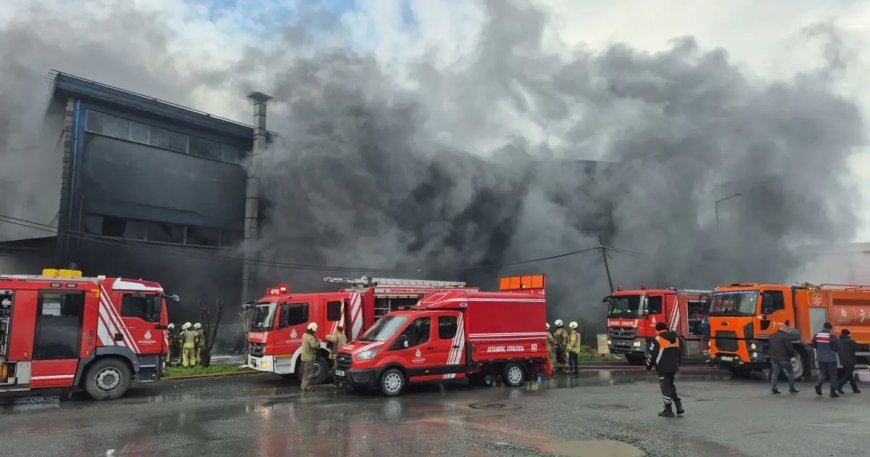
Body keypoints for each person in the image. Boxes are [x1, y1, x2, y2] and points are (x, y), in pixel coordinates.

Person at [647, 322, 683, 417]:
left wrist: (648, 366)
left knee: (665, 387)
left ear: (657, 330)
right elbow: (680, 352)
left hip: (662, 367)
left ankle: (668, 410)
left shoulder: (658, 339)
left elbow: (652, 354)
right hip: (674, 366)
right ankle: (679, 406)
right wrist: (678, 364)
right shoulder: (676, 338)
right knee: (671, 385)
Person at [768, 322, 799, 394]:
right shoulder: (786, 337)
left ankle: (773, 388)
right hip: (784, 358)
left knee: (775, 373)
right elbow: (789, 349)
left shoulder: (772, 335)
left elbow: (771, 347)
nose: (788, 331)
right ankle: (792, 388)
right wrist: (792, 355)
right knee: (790, 372)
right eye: (788, 330)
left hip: (774, 358)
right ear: (785, 329)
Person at [812, 322, 840, 398]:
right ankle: (832, 392)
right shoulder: (832, 336)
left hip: (820, 358)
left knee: (823, 373)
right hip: (831, 359)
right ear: (829, 329)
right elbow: (837, 348)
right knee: (833, 375)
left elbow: (814, 345)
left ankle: (818, 384)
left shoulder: (816, 335)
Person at [837, 329, 861, 394]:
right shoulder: (850, 341)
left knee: (849, 375)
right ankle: (839, 385)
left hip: (843, 360)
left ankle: (855, 389)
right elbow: (858, 348)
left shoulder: (838, 341)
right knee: (848, 375)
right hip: (850, 360)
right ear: (848, 334)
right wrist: (858, 343)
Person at [300, 322, 320, 392]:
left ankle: (303, 386)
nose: (315, 331)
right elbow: (314, 345)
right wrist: (318, 342)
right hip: (309, 357)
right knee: (309, 373)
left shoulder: (304, 334)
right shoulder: (310, 336)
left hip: (304, 357)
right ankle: (307, 387)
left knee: (305, 373)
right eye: (315, 329)